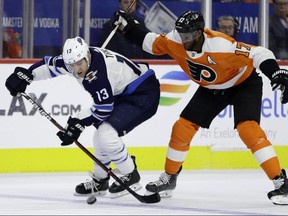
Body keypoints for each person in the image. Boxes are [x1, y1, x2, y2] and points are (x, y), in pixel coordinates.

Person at [112, 10, 288, 204]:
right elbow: (150, 43)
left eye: (187, 35)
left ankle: (281, 182)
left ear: (199, 33)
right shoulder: (175, 40)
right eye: (180, 34)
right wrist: (128, 27)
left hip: (243, 84)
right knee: (182, 127)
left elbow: (260, 53)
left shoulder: (221, 45)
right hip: (211, 88)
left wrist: (275, 73)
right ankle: (169, 178)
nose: (183, 39)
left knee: (248, 129)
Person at [5, 36, 160, 198]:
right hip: (122, 93)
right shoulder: (75, 61)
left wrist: (78, 122)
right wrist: (27, 75)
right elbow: (49, 66)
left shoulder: (97, 74)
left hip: (143, 93)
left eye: (79, 64)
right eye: (72, 65)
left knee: (106, 133)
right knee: (100, 135)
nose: (77, 70)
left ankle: (131, 175)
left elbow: (104, 108)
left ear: (87, 56)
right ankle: (100, 181)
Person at [97, 0, 170, 59]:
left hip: (141, 65)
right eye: (125, 2)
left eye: (132, 2)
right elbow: (108, 52)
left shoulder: (141, 24)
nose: (129, 5)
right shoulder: (110, 26)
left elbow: (148, 47)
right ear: (120, 4)